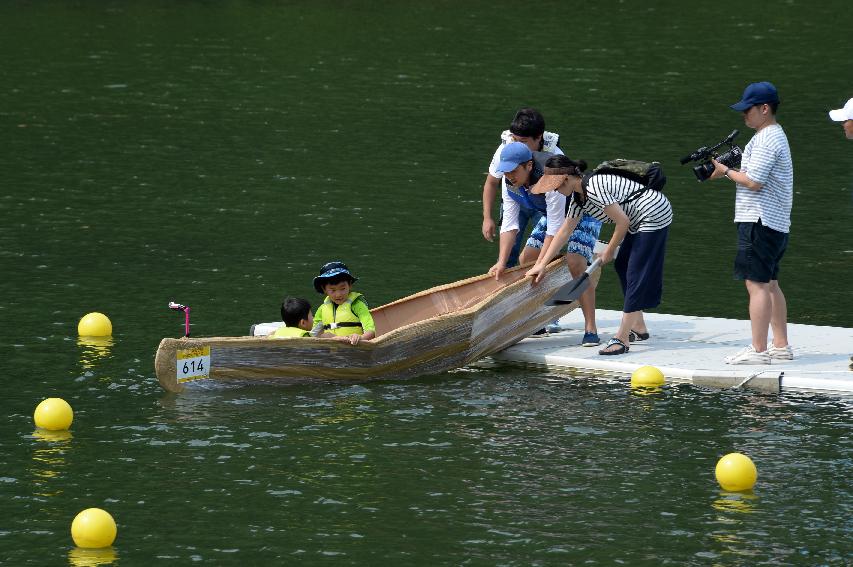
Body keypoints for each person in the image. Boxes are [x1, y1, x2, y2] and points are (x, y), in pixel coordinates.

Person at [525, 154, 673, 356]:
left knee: (634, 272)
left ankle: (622, 339)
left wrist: (609, 251)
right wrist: (541, 264)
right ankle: (638, 327)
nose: (555, 191)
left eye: (556, 186)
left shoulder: (594, 187)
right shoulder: (578, 198)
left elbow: (622, 222)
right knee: (623, 265)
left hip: (654, 214)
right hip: (637, 218)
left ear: (566, 179)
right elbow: (564, 231)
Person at [708, 81, 794, 365]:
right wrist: (724, 171)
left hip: (759, 220)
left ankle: (758, 351)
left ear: (765, 109)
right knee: (770, 283)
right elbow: (750, 172)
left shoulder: (767, 138)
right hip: (775, 222)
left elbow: (754, 182)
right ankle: (780, 346)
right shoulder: (770, 136)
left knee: (756, 284)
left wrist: (727, 170)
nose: (744, 114)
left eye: (748, 109)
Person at [490, 142, 604, 346]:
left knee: (576, 263)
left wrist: (543, 264)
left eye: (514, 171)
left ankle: (590, 328)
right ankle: (539, 320)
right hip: (552, 217)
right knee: (527, 259)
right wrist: (501, 262)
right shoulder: (509, 185)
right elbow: (509, 224)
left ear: (529, 166)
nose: (509, 176)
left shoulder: (550, 178)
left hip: (584, 212)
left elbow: (556, 230)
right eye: (505, 172)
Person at [483, 108, 560, 268]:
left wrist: (541, 264)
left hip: (548, 207)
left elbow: (556, 222)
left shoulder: (554, 164)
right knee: (509, 254)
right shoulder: (507, 156)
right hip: (520, 199)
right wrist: (487, 217)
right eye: (515, 140)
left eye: (523, 142)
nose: (518, 146)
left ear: (539, 137)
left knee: (534, 257)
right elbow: (491, 183)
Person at [311, 261, 376, 345]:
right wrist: (326, 337)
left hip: (354, 349)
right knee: (325, 335)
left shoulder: (357, 305)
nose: (338, 294)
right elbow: (313, 335)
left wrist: (360, 338)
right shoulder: (322, 309)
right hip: (331, 351)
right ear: (324, 289)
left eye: (343, 288)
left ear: (350, 285)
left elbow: (371, 331)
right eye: (333, 290)